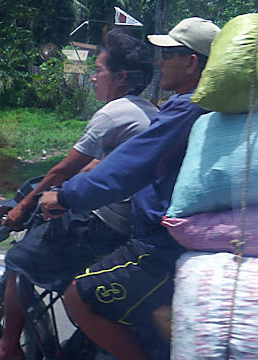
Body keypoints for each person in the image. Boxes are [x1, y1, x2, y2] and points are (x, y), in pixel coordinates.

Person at [0, 29, 158, 360]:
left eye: (98, 70)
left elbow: (64, 169)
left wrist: (23, 206)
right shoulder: (147, 111)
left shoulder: (113, 113)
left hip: (103, 223)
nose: (93, 77)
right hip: (129, 224)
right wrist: (53, 189)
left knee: (19, 260)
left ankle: (7, 348)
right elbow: (102, 164)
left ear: (121, 76)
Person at [40, 17, 221, 360]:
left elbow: (128, 167)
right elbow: (120, 161)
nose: (160, 62)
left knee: (77, 296)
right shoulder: (204, 106)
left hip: (157, 244)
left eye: (168, 54)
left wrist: (64, 196)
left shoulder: (186, 107)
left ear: (192, 62)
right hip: (167, 236)